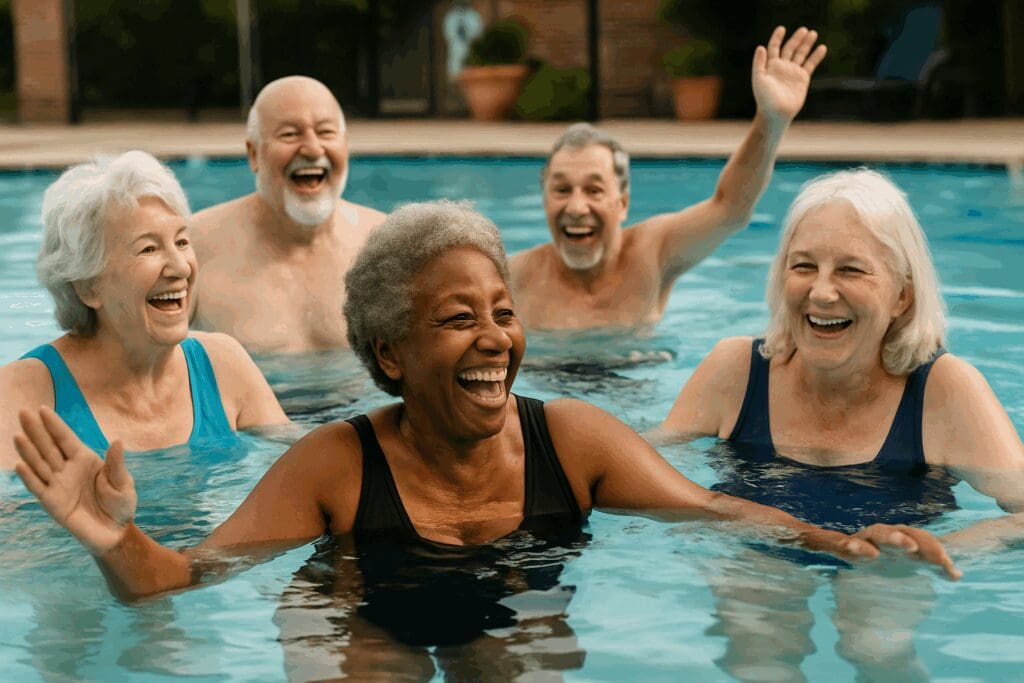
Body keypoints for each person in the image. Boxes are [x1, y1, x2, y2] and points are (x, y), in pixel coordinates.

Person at [14, 201, 958, 609]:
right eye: (458, 319)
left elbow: (715, 510)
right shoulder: (335, 466)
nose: (496, 339)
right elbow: (181, 580)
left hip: (516, 597)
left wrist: (848, 543)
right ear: (389, 350)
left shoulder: (574, 440)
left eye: (504, 313)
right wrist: (109, 540)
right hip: (368, 613)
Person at [654, 168, 1024, 679]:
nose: (822, 293)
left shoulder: (944, 390)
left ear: (902, 296)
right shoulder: (735, 370)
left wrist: (937, 550)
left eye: (851, 270)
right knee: (760, 650)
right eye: (803, 265)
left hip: (885, 562)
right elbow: (640, 466)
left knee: (876, 645)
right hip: (762, 545)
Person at [511, 26, 827, 331]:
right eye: (562, 190)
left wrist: (771, 121)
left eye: (594, 190)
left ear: (622, 204)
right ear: (544, 200)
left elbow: (730, 207)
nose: (577, 207)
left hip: (637, 378)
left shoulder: (653, 252)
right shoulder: (512, 278)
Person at [0, 151, 289, 470]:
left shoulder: (223, 366)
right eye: (148, 248)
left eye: (181, 242)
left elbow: (305, 473)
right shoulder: (24, 393)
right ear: (88, 286)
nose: (181, 267)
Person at [189, 76, 386, 354]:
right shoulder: (194, 247)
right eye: (290, 134)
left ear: (346, 145)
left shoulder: (385, 244)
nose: (313, 149)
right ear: (253, 153)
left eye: (326, 132)